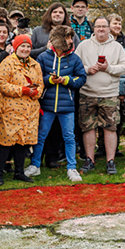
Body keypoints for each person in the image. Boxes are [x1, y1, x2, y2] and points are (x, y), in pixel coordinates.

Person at [29, 26, 86, 180]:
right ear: (59, 39)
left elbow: (82, 78)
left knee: (69, 137)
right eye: (67, 37)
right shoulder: (43, 57)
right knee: (41, 136)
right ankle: (35, 165)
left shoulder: (75, 58)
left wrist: (66, 80)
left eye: (70, 37)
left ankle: (72, 167)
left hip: (67, 106)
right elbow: (37, 79)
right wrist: (50, 80)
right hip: (47, 106)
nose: (70, 41)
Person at [75, 18, 125, 174]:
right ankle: (89, 160)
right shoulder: (83, 45)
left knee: (110, 128)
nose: (101, 29)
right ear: (94, 28)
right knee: (88, 128)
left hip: (110, 94)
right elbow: (74, 65)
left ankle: (110, 161)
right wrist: (87, 69)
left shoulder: (117, 47)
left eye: (104, 26)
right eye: (98, 26)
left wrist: (108, 68)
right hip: (87, 93)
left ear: (108, 29)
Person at [0, 35, 42, 184]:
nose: (25, 49)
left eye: (28, 47)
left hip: (30, 110)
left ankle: (19, 172)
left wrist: (36, 92)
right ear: (16, 47)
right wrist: (22, 90)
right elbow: (1, 84)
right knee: (5, 142)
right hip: (10, 109)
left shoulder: (35, 64)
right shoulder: (7, 63)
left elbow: (40, 83)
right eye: (22, 46)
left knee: (23, 141)